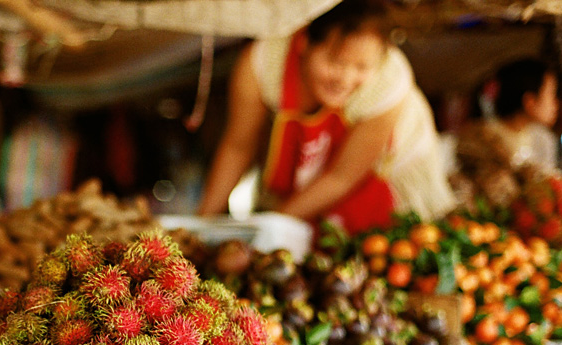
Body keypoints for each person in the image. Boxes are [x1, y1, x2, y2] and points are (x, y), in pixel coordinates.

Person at [198, 0, 455, 233]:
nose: (345, 79)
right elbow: (238, 146)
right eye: (335, 61)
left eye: (361, 67)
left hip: (385, 179)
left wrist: (269, 225)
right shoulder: (261, 64)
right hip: (312, 181)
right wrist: (201, 225)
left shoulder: (389, 82)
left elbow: (341, 177)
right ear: (304, 43)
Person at [454, 58, 560, 207]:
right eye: (551, 94)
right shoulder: (481, 137)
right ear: (529, 101)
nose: (556, 103)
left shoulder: (543, 138)